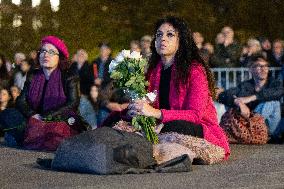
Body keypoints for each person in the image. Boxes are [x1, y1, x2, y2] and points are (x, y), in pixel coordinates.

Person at [128, 16, 230, 160]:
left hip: (195, 126)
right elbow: (148, 104)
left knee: (173, 126)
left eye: (170, 34)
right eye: (159, 34)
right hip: (160, 124)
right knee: (117, 119)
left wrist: (155, 113)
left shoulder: (195, 70)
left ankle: (153, 149)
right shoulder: (153, 71)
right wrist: (137, 108)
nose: (163, 38)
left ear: (180, 40)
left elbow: (195, 115)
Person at [16, 36, 89, 151]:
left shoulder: (69, 76)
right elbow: (21, 100)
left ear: (60, 57)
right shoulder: (33, 75)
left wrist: (46, 117)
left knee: (57, 130)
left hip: (59, 118)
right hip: (34, 117)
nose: (46, 55)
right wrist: (33, 114)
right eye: (43, 51)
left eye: (51, 52)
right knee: (8, 115)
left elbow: (73, 103)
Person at [217, 54, 284, 141]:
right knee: (224, 105)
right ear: (251, 69)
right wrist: (237, 101)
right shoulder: (246, 85)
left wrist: (252, 97)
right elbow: (225, 95)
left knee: (272, 102)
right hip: (251, 126)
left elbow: (278, 92)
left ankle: (254, 126)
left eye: (265, 66)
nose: (263, 69)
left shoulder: (274, 83)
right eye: (258, 66)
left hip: (272, 128)